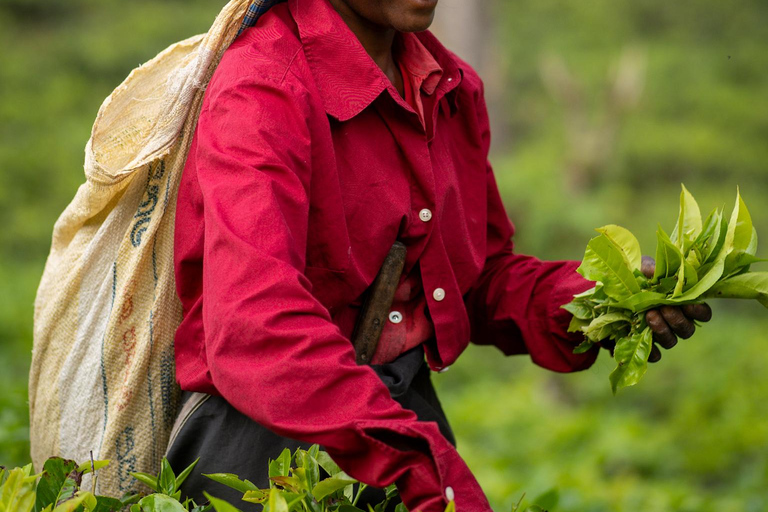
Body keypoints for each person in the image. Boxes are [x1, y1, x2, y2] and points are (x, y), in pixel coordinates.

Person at [166, 0, 713, 510]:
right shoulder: (264, 87)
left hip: (396, 418)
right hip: (265, 443)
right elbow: (256, 327)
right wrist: (423, 468)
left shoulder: (448, 87)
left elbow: (476, 277)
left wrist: (603, 298)